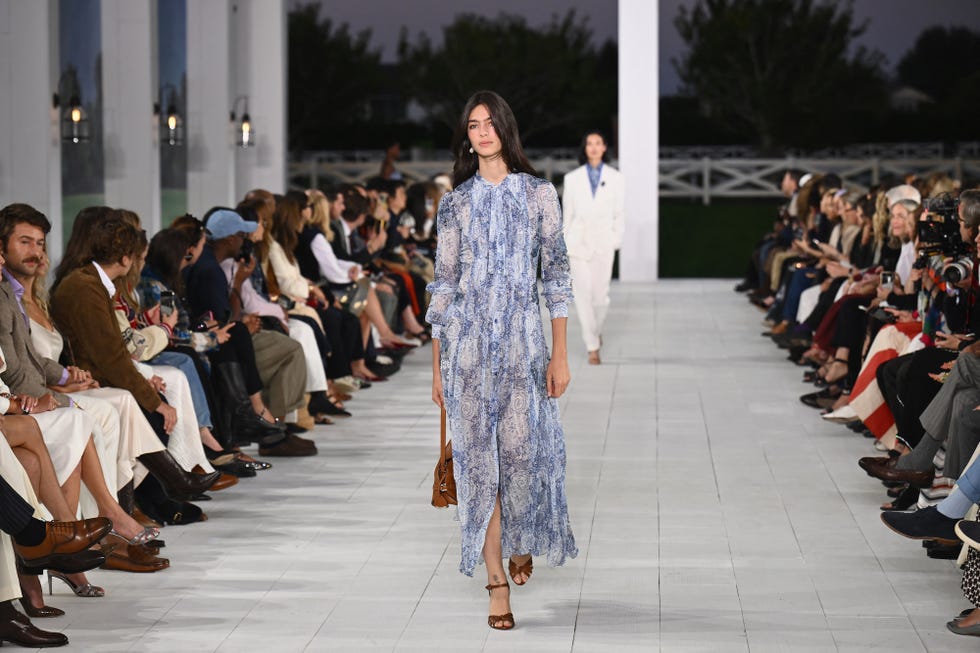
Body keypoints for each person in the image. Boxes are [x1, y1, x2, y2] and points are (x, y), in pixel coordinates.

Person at [427, 90, 577, 631]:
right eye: (472, 124)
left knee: (521, 461)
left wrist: (560, 352)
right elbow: (443, 285)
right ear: (466, 136)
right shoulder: (456, 204)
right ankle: (495, 582)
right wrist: (437, 362)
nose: (482, 131)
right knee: (477, 468)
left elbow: (556, 276)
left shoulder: (539, 195)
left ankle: (519, 540)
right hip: (467, 352)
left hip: (523, 350)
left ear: (505, 129)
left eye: (490, 122)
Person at [561, 130, 624, 364]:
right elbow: (567, 215)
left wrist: (616, 239)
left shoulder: (616, 178)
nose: (594, 147)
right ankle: (592, 346)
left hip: (604, 243)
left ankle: (596, 330)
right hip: (578, 245)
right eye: (590, 143)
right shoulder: (572, 179)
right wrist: (566, 241)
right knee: (582, 296)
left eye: (598, 143)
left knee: (600, 298)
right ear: (585, 148)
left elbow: (619, 213)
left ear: (605, 147)